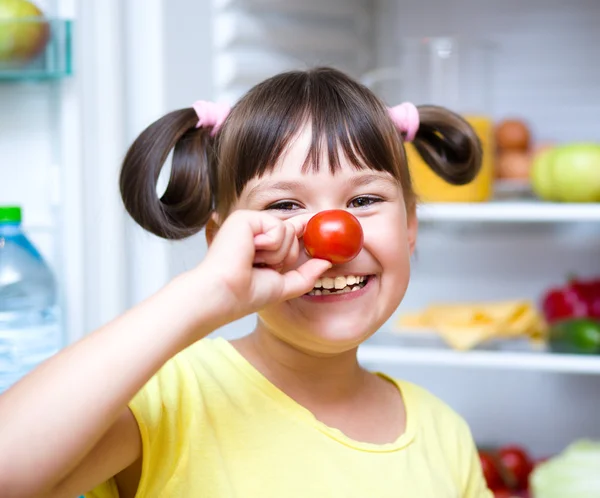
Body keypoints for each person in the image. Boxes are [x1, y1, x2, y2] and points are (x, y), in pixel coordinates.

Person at [0, 67, 492, 498]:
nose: (330, 238)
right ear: (222, 241)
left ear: (409, 227)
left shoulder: (443, 433)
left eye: (364, 200)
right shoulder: (170, 397)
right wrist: (203, 293)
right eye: (283, 205)